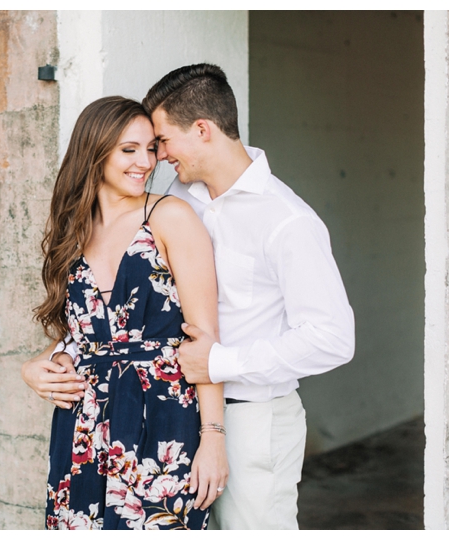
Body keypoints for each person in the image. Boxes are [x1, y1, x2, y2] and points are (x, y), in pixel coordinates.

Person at [23, 64, 355, 530]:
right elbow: (125, 315)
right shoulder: (181, 193)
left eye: (160, 142)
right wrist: (48, 359)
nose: (155, 158)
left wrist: (218, 366)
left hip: (249, 415)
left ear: (202, 130)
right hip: (161, 411)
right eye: (139, 147)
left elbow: (332, 339)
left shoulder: (286, 220)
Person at [30, 95, 227, 530]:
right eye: (129, 149)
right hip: (82, 423)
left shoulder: (169, 217)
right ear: (95, 151)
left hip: (162, 419)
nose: (146, 161)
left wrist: (212, 437)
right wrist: (39, 366)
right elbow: (80, 334)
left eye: (151, 148)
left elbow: (205, 337)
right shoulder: (72, 230)